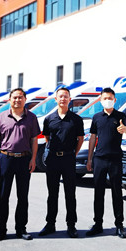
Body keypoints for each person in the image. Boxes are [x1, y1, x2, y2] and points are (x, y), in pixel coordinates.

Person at [0, 88, 40, 241]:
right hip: (6, 159)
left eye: (20, 97)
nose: (17, 100)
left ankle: (21, 229)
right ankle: (1, 230)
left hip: (24, 160)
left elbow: (34, 140)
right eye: (14, 98)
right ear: (9, 100)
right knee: (3, 196)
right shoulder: (1, 117)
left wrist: (33, 159)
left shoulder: (31, 117)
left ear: (25, 99)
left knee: (23, 196)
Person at [86, 87, 126, 239]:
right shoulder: (96, 117)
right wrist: (89, 158)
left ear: (114, 100)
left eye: (110, 98)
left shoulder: (120, 116)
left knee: (117, 193)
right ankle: (98, 224)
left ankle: (119, 225)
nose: (107, 101)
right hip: (99, 159)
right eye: (105, 98)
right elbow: (93, 137)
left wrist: (125, 129)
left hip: (115, 159)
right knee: (98, 192)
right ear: (100, 100)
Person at [38, 87, 84, 238]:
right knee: (52, 193)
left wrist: (73, 154)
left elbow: (80, 139)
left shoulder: (76, 119)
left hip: (68, 159)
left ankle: (71, 225)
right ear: (56, 99)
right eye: (60, 96)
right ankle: (50, 224)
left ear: (70, 99)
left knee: (70, 193)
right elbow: (47, 138)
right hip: (53, 160)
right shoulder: (49, 119)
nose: (63, 99)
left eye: (66, 96)